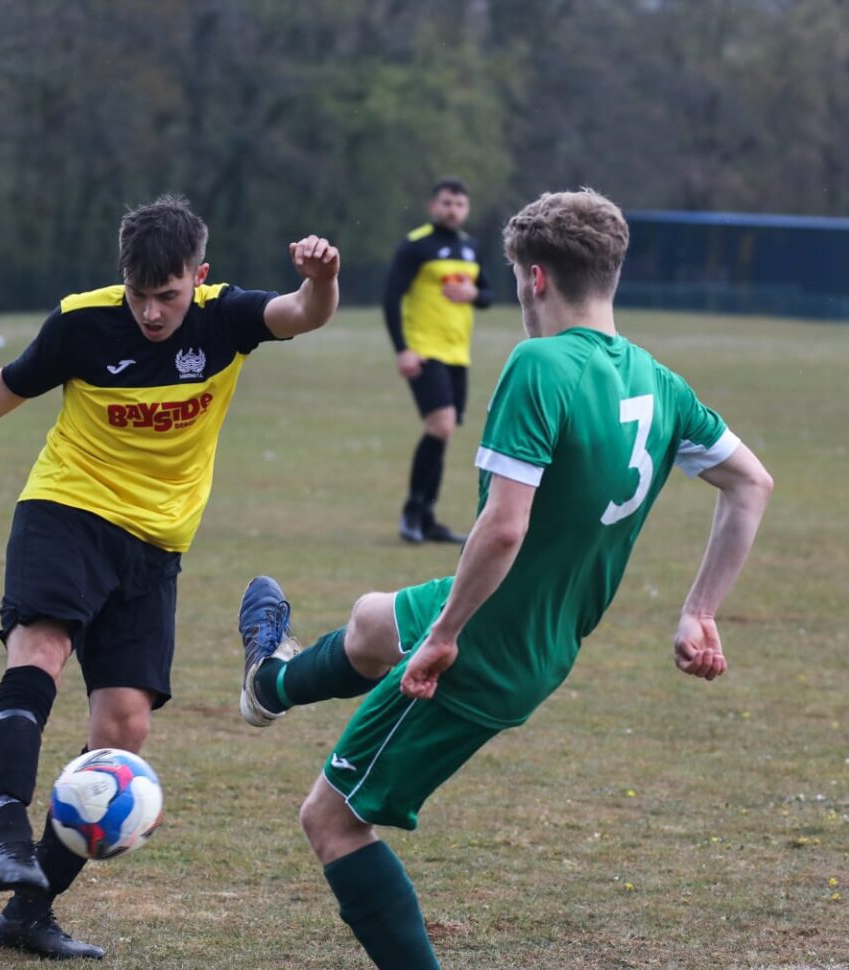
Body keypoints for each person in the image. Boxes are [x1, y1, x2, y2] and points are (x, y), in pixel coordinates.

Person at [235, 189, 773, 969]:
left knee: (332, 821)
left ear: (534, 279)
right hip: (538, 633)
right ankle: (268, 686)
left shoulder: (539, 365)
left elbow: (505, 525)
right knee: (369, 621)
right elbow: (751, 483)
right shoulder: (659, 383)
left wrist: (444, 636)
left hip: (483, 646)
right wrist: (699, 611)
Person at [0, 195, 340, 960]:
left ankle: (28, 912)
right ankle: (7, 829)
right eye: (138, 294)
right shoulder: (83, 322)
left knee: (124, 729)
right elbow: (7, 385)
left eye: (167, 295)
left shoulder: (225, 318)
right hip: (67, 510)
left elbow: (304, 313)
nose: (149, 312)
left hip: (155, 547)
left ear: (197, 278)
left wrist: (323, 278)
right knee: (39, 649)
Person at [383, 177, 494, 544]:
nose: (453, 210)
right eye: (446, 203)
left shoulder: (470, 248)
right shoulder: (416, 246)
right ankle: (413, 513)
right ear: (433, 206)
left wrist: (473, 292)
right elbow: (390, 298)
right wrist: (403, 348)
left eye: (459, 204)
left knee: (443, 433)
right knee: (441, 426)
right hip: (424, 349)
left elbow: (488, 295)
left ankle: (427, 519)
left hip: (457, 354)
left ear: (467, 210)